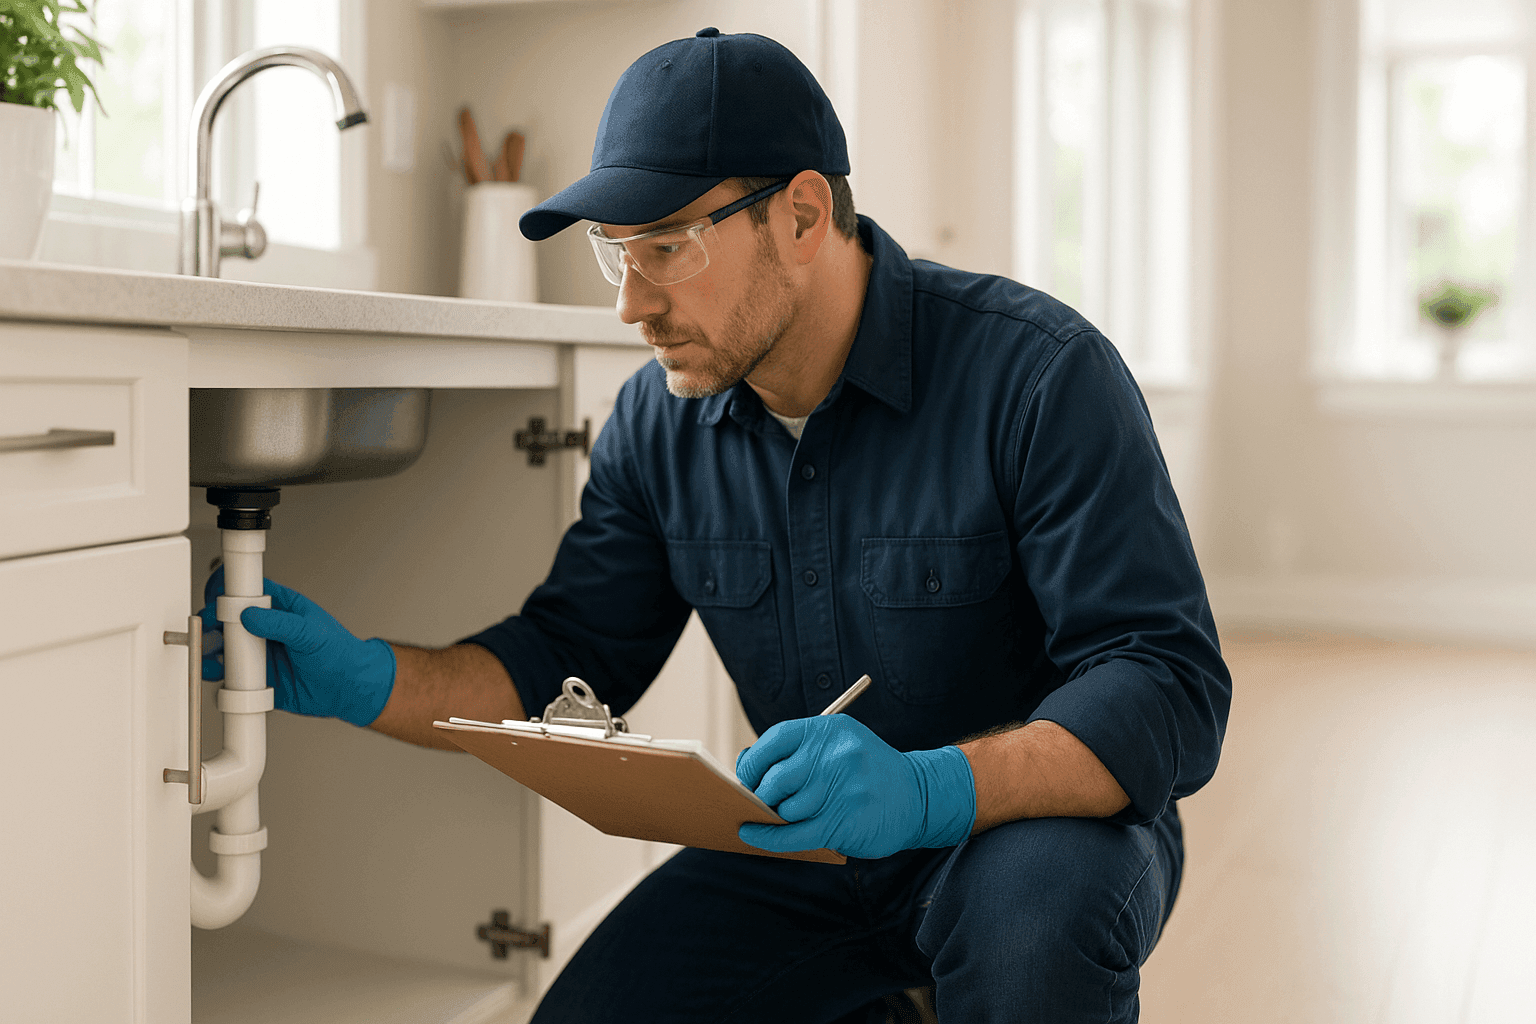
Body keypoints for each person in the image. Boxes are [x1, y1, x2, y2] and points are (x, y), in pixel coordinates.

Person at [203, 28, 1231, 1023]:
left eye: (667, 246)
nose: (631, 306)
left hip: (1033, 829)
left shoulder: (1039, 376)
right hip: (813, 851)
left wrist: (928, 788)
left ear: (800, 214)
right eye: (618, 254)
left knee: (1028, 942)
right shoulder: (658, 424)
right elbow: (568, 653)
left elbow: (1170, 690)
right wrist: (369, 677)